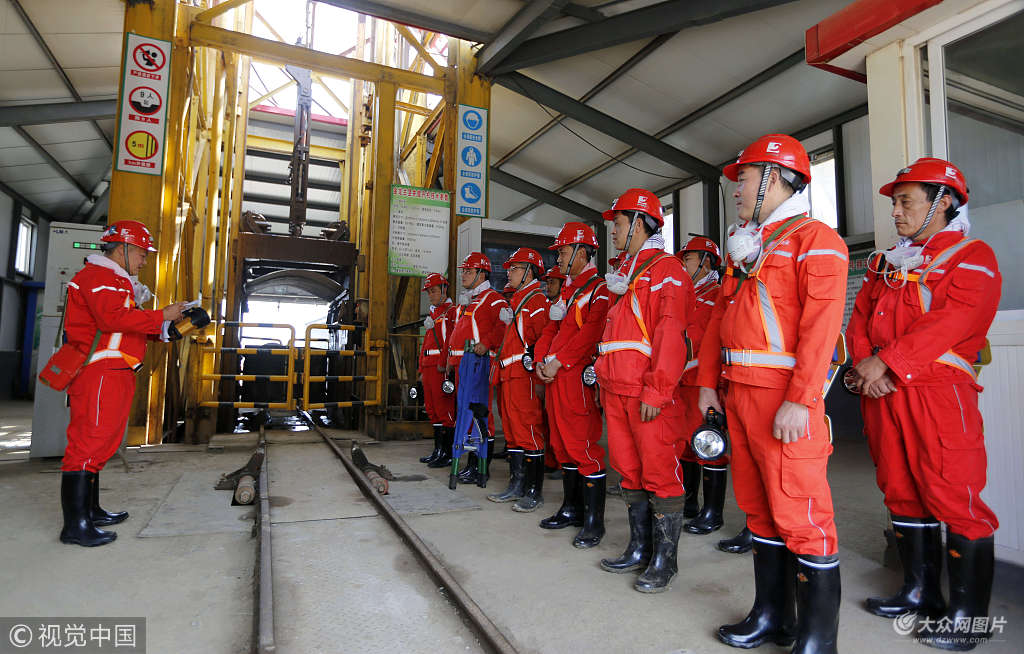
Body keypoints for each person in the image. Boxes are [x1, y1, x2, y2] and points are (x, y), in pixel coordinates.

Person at [696, 135, 848, 652]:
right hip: (738, 393)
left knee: (801, 514)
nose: (736, 189)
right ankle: (771, 616)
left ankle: (817, 640)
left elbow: (822, 329)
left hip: (783, 397)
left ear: (773, 178)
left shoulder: (815, 240)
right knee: (758, 509)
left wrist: (800, 399)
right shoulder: (746, 246)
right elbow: (719, 319)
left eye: (743, 178)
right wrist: (707, 383)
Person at [846, 158, 1000, 651]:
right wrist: (865, 367)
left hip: (937, 393)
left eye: (905, 201)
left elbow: (951, 322)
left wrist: (886, 364)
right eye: (895, 202)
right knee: (900, 490)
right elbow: (860, 318)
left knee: (955, 495)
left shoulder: (971, 256)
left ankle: (968, 620)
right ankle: (920, 593)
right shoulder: (887, 263)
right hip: (883, 393)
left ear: (944, 202)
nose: (895, 211)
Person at [58, 220, 186, 547]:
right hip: (99, 372)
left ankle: (91, 511)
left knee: (103, 440)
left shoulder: (117, 281)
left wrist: (171, 327)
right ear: (122, 249)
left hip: (115, 370)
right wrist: (162, 315)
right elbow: (111, 319)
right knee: (89, 442)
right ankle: (75, 526)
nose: (144, 261)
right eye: (142, 254)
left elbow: (127, 326)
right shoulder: (99, 277)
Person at [596, 189, 695, 593]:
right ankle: (639, 549)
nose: (613, 231)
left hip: (646, 395)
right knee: (628, 470)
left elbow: (671, 334)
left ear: (639, 224)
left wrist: (657, 391)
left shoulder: (667, 271)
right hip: (616, 390)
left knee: (659, 473)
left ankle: (665, 561)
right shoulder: (626, 274)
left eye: (618, 224)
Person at [535, 221, 611, 546]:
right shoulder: (567, 292)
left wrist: (558, 361)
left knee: (583, 446)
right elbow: (550, 331)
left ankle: (594, 522)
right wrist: (541, 360)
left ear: (582, 252)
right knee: (562, 444)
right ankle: (571, 509)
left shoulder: (599, 289)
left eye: (563, 252)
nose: (559, 258)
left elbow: (590, 334)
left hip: (576, 377)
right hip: (555, 375)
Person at [674, 236, 731, 535]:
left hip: (703, 383)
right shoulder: (687, 295)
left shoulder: (717, 294)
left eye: (688, 259)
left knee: (708, 444)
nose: (683, 264)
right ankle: (689, 502)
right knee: (685, 444)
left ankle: (712, 512)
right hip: (682, 382)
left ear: (706, 262)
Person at [488, 248, 550, 510]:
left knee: (528, 429)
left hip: (524, 375)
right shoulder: (517, 299)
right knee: (513, 432)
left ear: (529, 272)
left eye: (514, 268)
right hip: (509, 373)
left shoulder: (537, 301)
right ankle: (517, 485)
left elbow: (542, 339)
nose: (509, 273)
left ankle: (533, 491)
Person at [445, 252, 508, 484]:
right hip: (463, 365)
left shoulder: (494, 300)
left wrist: (487, 343)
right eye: (463, 271)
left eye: (468, 271)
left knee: (479, 416)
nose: (463, 275)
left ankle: (480, 467)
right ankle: (471, 465)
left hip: (478, 366)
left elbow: (503, 327)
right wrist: (450, 360)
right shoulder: (469, 301)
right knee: (465, 415)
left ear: (482, 274)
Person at [418, 273, 457, 469]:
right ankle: (438, 450)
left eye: (433, 291)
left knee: (444, 409)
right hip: (428, 366)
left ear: (444, 290)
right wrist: (420, 367)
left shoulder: (450, 312)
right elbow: (426, 342)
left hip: (440, 368)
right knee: (432, 409)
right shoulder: (433, 314)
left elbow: (451, 341)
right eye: (429, 292)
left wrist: (445, 364)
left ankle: (447, 453)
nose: (431, 295)